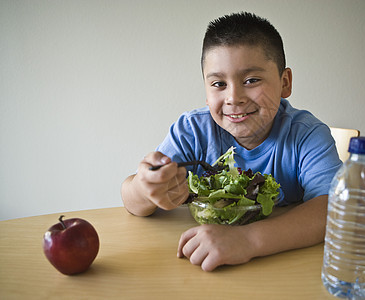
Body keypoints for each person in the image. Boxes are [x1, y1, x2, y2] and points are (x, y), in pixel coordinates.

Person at [121, 12, 342, 272]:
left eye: (251, 80)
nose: (233, 97)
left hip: (286, 268)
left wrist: (248, 240)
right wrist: (145, 189)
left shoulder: (307, 135)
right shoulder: (193, 131)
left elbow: (333, 210)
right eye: (218, 83)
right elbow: (132, 200)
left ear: (285, 83)